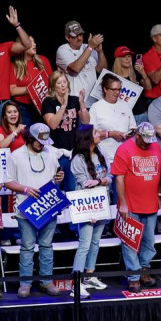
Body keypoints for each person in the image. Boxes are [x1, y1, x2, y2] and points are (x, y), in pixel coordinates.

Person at [4, 124, 66, 298]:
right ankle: (25, 283)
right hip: (26, 209)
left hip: (48, 207)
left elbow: (56, 179)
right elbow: (7, 181)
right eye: (39, 141)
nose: (42, 144)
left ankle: (46, 281)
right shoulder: (16, 156)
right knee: (27, 247)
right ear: (30, 138)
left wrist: (59, 179)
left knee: (47, 246)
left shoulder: (51, 154)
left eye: (44, 141)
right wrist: (25, 189)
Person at [112, 122, 161, 292]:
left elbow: (158, 173)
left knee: (149, 241)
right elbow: (118, 178)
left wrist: (159, 194)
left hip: (150, 203)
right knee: (130, 242)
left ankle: (143, 270)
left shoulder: (155, 146)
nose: (147, 143)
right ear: (137, 135)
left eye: (150, 139)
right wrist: (123, 203)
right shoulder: (124, 149)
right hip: (131, 204)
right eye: (144, 139)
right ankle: (133, 277)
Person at [68, 125, 111, 292]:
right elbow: (84, 184)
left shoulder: (101, 153)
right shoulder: (78, 160)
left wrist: (101, 181)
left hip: (102, 204)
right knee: (84, 244)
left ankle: (90, 276)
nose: (98, 134)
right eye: (94, 132)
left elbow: (109, 177)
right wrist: (91, 212)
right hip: (87, 206)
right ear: (86, 138)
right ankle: (76, 283)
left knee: (95, 243)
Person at [41, 70, 89, 177]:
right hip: (56, 152)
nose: (63, 85)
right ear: (53, 86)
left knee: (71, 187)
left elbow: (86, 121)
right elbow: (52, 125)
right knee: (56, 184)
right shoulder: (48, 102)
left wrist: (82, 103)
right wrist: (63, 106)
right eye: (59, 83)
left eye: (64, 82)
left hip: (73, 152)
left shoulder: (74, 100)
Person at [89, 75, 138, 167]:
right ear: (105, 89)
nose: (117, 92)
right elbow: (90, 133)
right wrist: (110, 134)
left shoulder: (125, 105)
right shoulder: (96, 107)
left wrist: (130, 133)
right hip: (105, 158)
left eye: (119, 89)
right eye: (114, 89)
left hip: (125, 157)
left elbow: (133, 127)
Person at [55, 21, 105, 103]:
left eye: (81, 35)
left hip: (92, 101)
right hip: (73, 100)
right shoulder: (63, 50)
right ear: (67, 37)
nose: (79, 38)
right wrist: (90, 47)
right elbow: (75, 69)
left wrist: (100, 52)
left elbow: (102, 70)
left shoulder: (88, 47)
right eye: (75, 36)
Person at [7, 37, 50, 127]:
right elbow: (12, 90)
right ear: (22, 46)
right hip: (23, 108)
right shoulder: (14, 65)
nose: (34, 44)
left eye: (34, 41)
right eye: (30, 42)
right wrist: (31, 88)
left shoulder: (43, 60)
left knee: (42, 136)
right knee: (26, 136)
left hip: (43, 105)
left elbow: (51, 83)